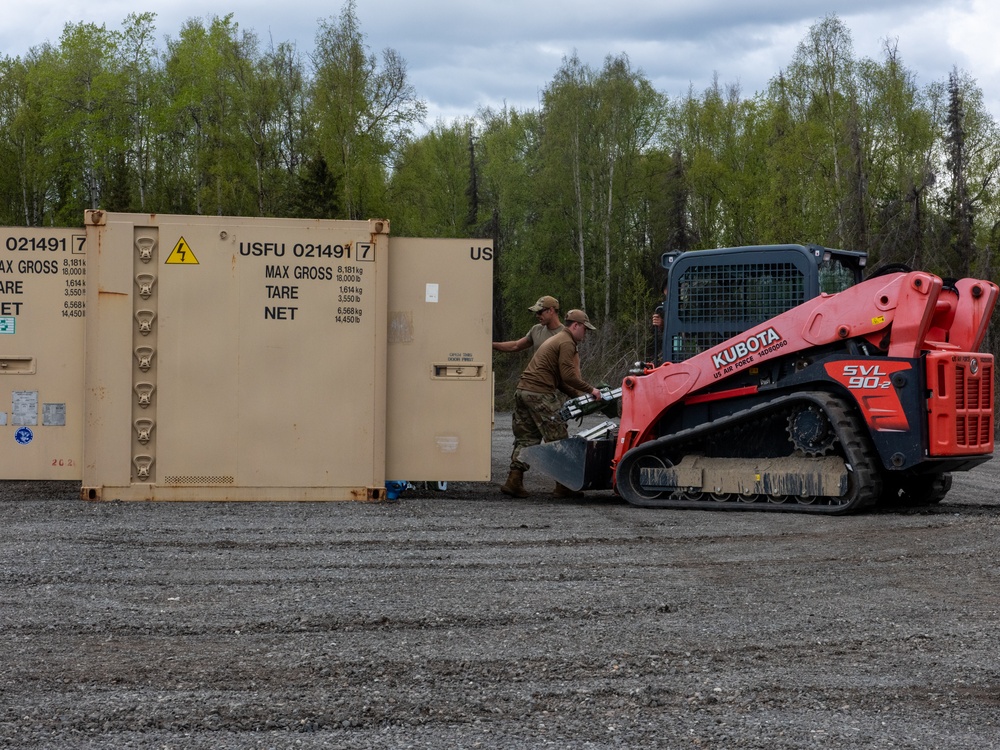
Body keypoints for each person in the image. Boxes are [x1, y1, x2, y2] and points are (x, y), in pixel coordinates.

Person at [500, 309, 602, 500]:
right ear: (576, 326)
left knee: (527, 438)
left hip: (523, 391)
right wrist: (592, 390)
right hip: (539, 393)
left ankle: (514, 481)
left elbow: (561, 381)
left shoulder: (558, 339)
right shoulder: (566, 342)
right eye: (585, 330)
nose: (585, 334)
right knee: (558, 437)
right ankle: (563, 486)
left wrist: (577, 396)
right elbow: (568, 376)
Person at [492, 295, 564, 354]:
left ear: (551, 310)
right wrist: (491, 345)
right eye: (536, 313)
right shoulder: (536, 330)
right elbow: (515, 346)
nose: (537, 316)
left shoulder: (565, 334)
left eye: (539, 312)